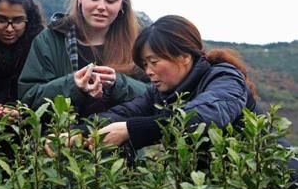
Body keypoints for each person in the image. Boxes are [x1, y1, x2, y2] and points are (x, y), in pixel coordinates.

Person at [83, 15, 261, 159]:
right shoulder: (160, 94)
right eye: (144, 64)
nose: (148, 71)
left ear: (184, 56)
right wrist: (77, 132)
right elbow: (124, 113)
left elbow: (203, 116)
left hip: (275, 186)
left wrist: (131, 130)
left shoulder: (225, 78)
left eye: (153, 62)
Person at [18, 0, 149, 119]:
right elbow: (28, 99)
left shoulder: (139, 44)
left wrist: (119, 84)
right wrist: (73, 85)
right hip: (58, 140)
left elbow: (159, 97)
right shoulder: (49, 40)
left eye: (111, 0)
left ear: (123, 3)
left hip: (120, 141)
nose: (101, 6)